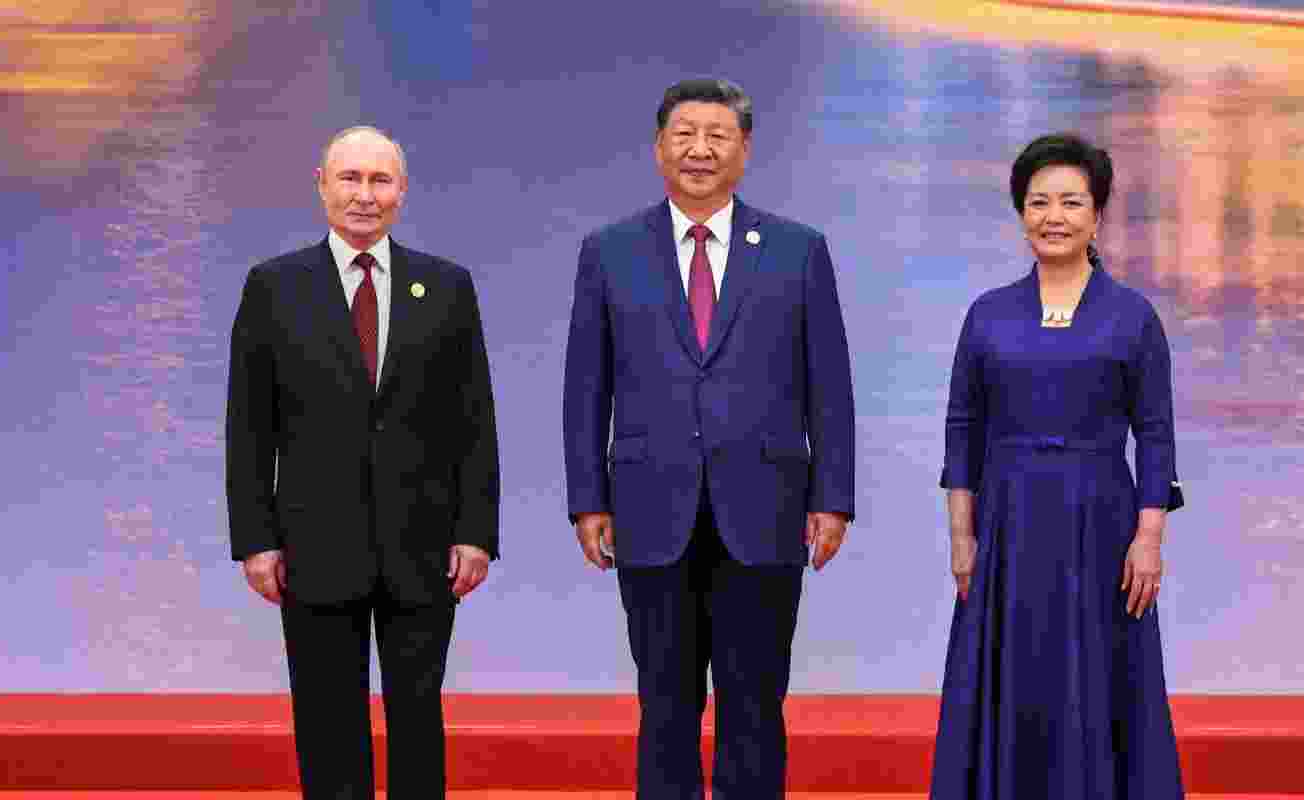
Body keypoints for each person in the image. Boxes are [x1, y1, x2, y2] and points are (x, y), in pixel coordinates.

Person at [563, 78, 855, 800]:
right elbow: (584, 388)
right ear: (659, 147)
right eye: (684, 134)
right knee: (665, 703)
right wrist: (586, 500)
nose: (700, 149)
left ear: (745, 150)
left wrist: (834, 498)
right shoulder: (610, 251)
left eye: (717, 135)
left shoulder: (797, 250)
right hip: (649, 506)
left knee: (754, 703)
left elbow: (830, 386)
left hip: (764, 506)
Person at [225, 126, 499, 800]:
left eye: (380, 181)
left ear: (402, 193)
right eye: (350, 178)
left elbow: (474, 421)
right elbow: (249, 426)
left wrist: (476, 532)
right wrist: (256, 540)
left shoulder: (447, 287)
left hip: (424, 545)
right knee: (326, 721)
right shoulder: (273, 287)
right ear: (320, 184)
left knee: (416, 717)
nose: (364, 195)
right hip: (314, 542)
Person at [930, 133, 1185, 799]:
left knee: (1099, 679)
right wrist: (963, 536)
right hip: (1008, 522)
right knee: (1010, 675)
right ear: (1020, 213)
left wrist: (1149, 539)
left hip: (1101, 521)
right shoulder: (987, 314)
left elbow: (1155, 437)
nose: (1054, 216)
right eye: (1039, 202)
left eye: (1072, 201)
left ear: (1097, 214)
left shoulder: (1133, 317)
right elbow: (962, 431)